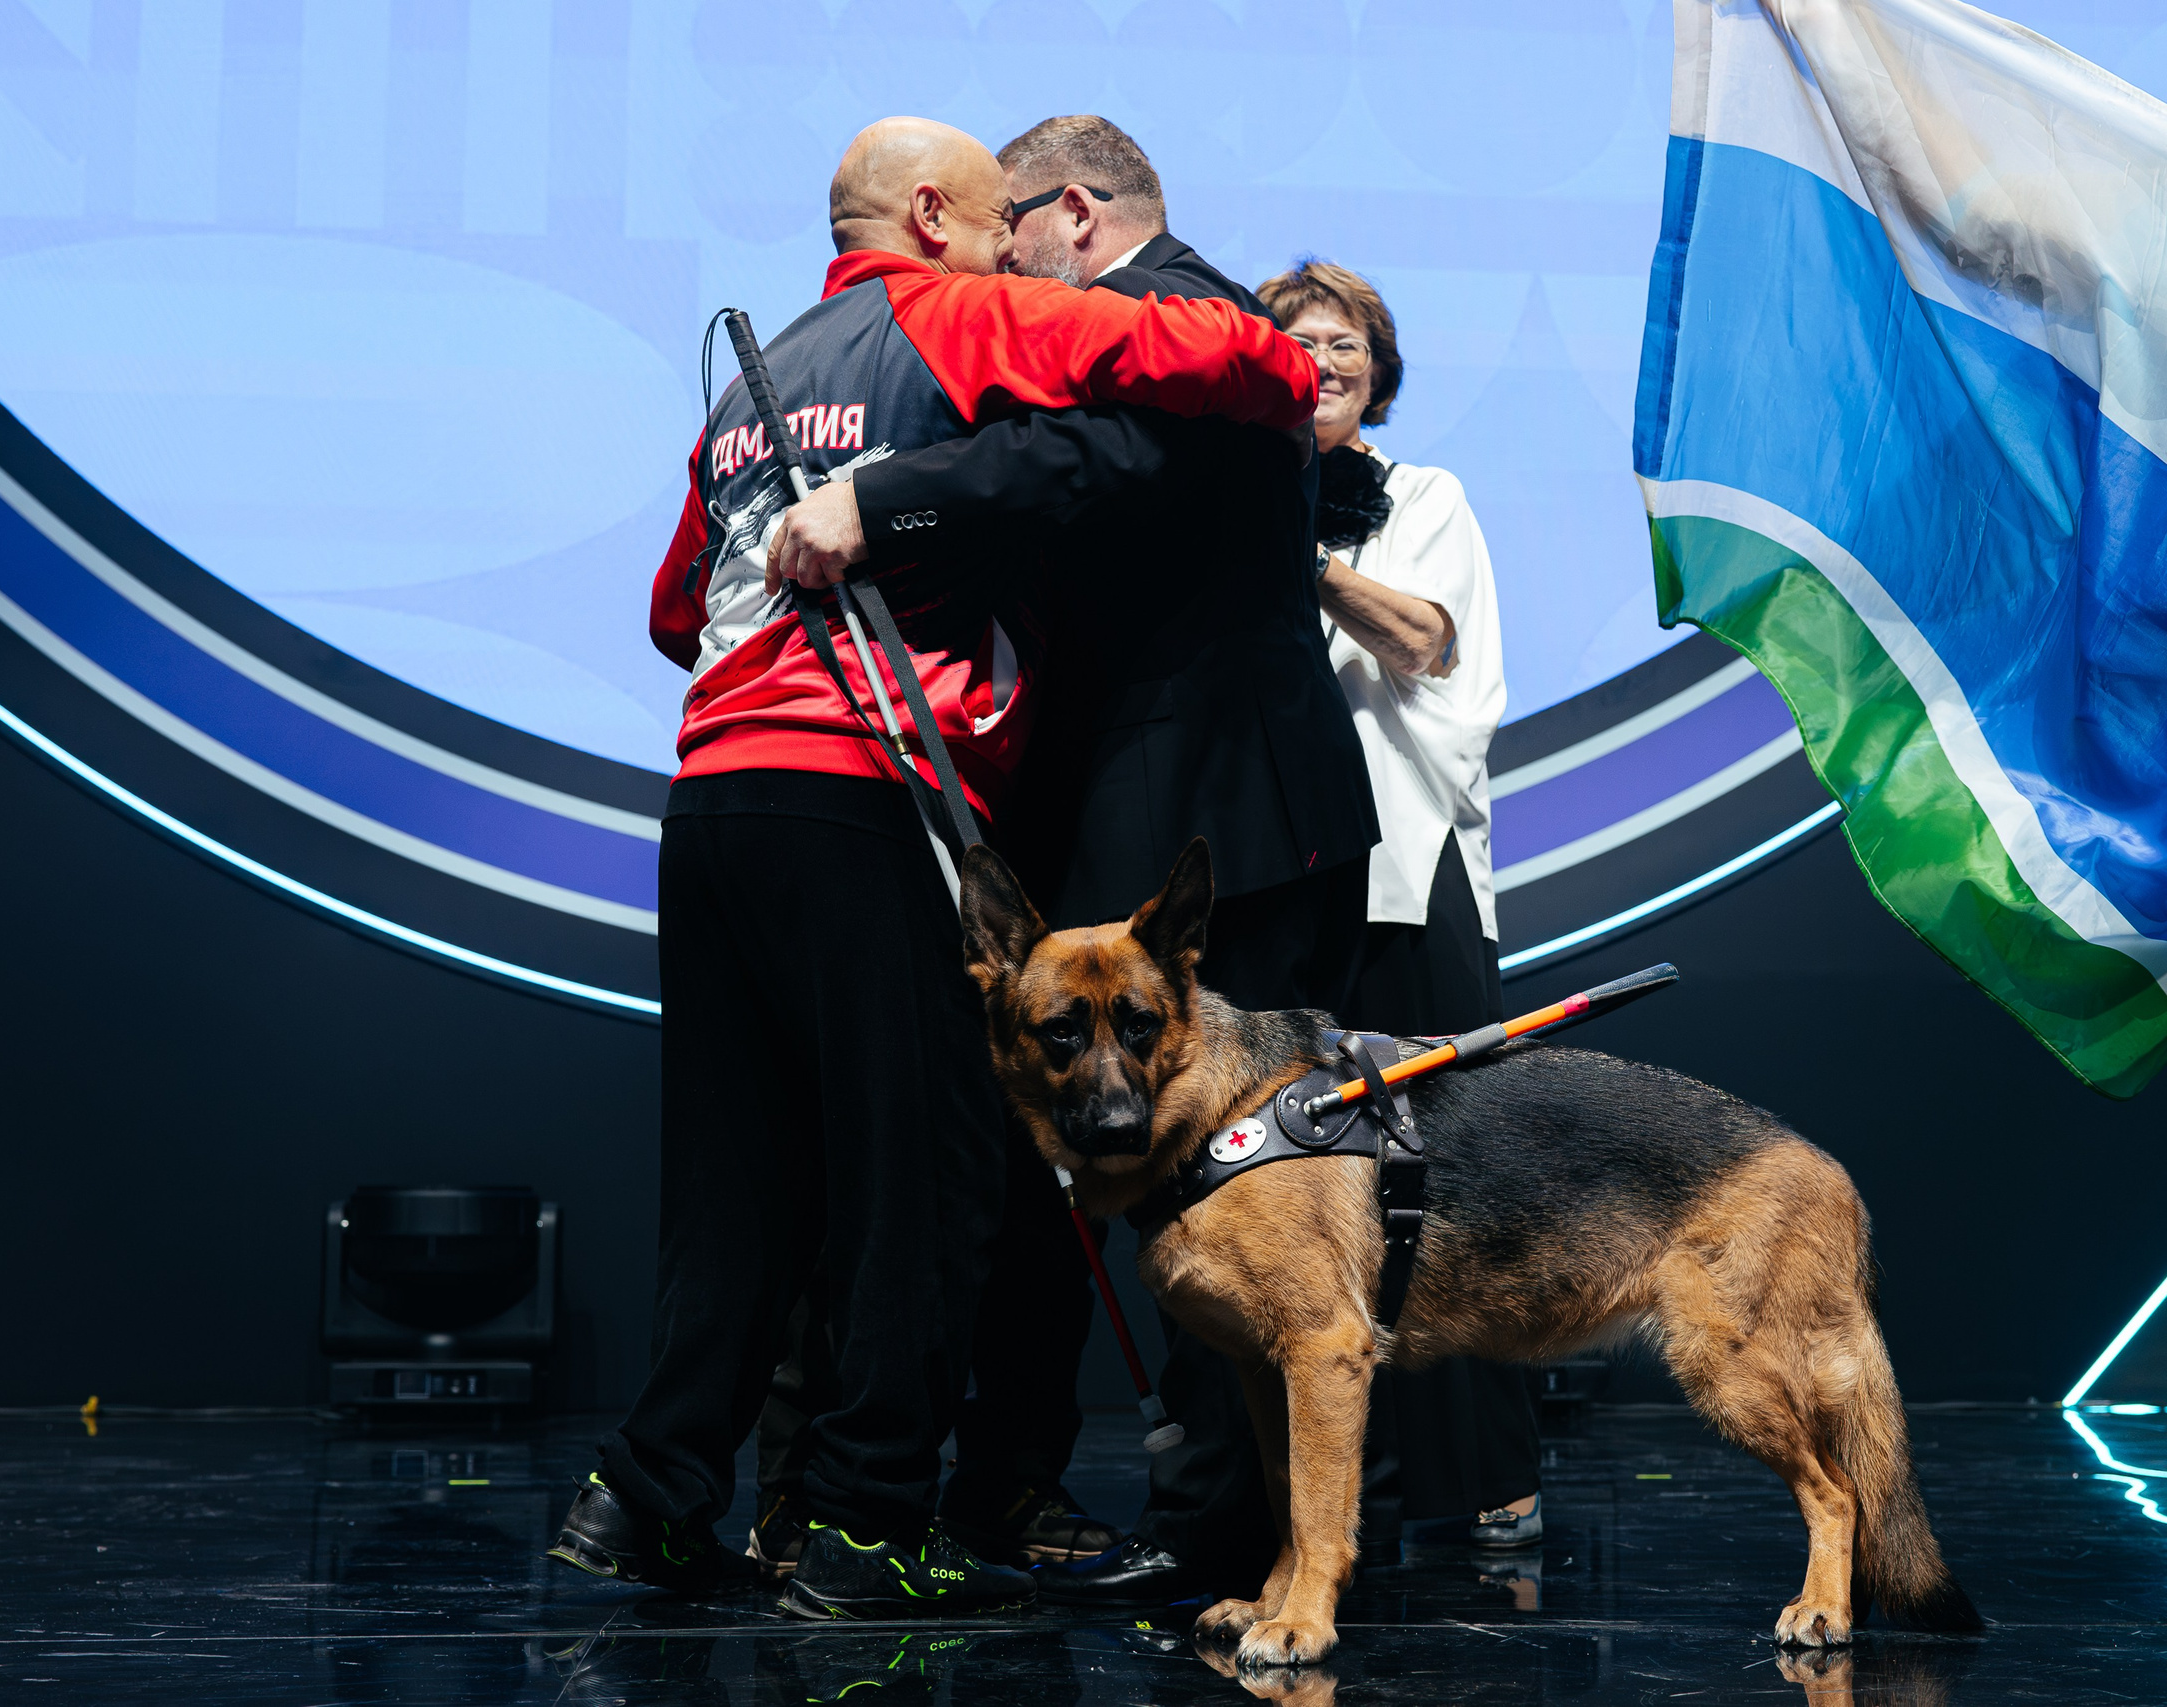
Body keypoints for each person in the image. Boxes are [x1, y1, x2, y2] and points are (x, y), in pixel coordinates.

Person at [547, 116, 1325, 1622]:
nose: (1013, 256)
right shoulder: (951, 313)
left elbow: (675, 608)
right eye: (993, 224)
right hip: (862, 794)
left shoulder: (753, 384)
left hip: (713, 801)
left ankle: (644, 1496)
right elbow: (1250, 360)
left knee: (739, 1186)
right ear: (929, 215)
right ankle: (865, 1525)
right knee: (929, 1176)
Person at [780, 115, 1383, 1609]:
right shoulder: (1161, 315)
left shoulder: (1190, 318)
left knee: (1246, 1182)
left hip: (1218, 818)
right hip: (1177, 805)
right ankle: (1049, 1489)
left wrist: (873, 499)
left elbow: (1075, 455)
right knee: (1108, 1176)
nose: (995, 274)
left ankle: (1225, 1535)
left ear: (1070, 214)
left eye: (1010, 236)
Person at [1269, 256, 1544, 1553]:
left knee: (1444, 1174)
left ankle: (1485, 1470)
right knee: (1297, 1190)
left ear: (1377, 374)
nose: (1323, 362)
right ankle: (1320, 1488)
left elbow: (1424, 642)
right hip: (1279, 879)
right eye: (1297, 343)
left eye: (1346, 345)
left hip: (1404, 867)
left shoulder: (1424, 496)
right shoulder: (1228, 501)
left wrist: (1304, 558)